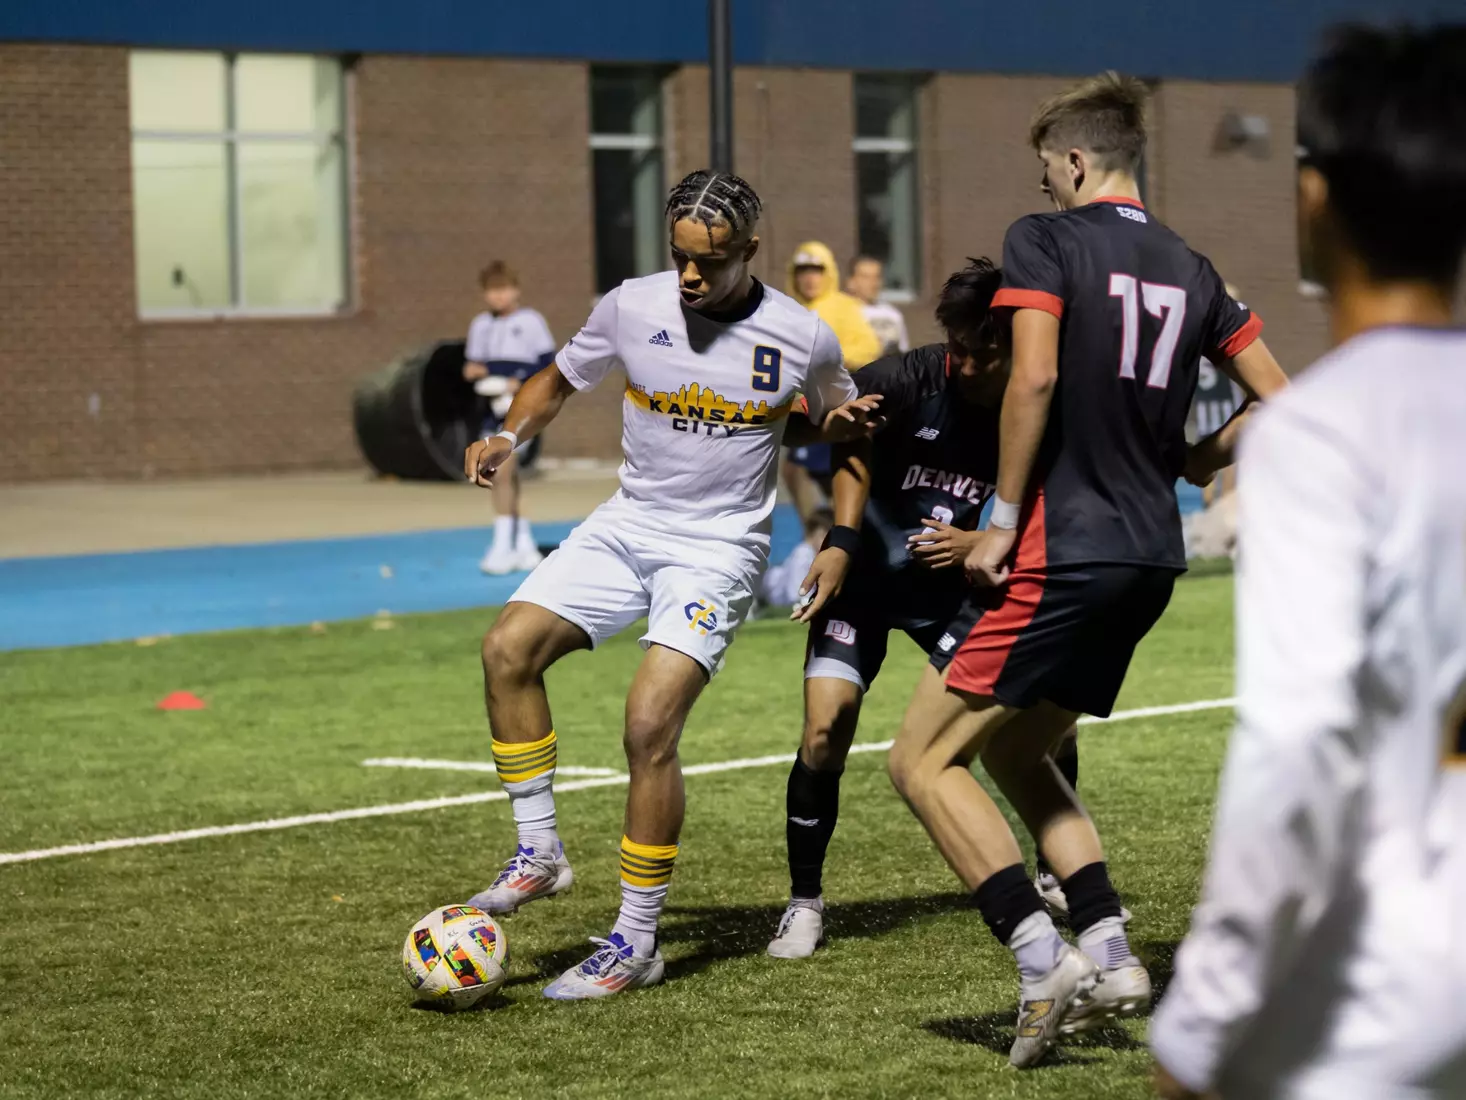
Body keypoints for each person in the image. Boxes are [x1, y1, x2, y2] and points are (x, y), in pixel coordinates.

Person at [885, 73, 1289, 1068]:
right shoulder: (1194, 268)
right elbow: (1281, 396)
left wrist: (998, 522)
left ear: (1072, 160)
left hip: (1063, 546)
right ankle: (1110, 954)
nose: (1045, 188)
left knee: (920, 761)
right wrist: (1197, 457)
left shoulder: (1046, 239)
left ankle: (1041, 958)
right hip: (1149, 555)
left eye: (1046, 171)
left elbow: (1032, 374)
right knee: (1023, 753)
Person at [458, 170, 877, 1000]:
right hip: (628, 524)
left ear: (749, 251)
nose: (689, 275)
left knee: (649, 724)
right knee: (507, 649)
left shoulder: (802, 336)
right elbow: (557, 378)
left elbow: (849, 430)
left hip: (718, 550)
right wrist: (508, 433)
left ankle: (636, 941)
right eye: (680, 256)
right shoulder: (631, 304)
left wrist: (842, 539)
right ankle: (539, 851)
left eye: (708, 262)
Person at [1152, 24, 1466, 1100]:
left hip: (1381, 988)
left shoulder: (1320, 432)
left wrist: (1200, 1017)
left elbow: (1295, 742)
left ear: (1315, 199)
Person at [767, 258, 1081, 959]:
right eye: (957, 347)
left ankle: (1054, 871)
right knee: (824, 732)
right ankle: (804, 902)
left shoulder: (1042, 400)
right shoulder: (908, 376)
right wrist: (842, 535)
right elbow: (830, 436)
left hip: (958, 591)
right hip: (867, 584)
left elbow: (1062, 501)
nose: (963, 364)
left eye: (982, 353)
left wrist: (983, 540)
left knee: (1046, 722)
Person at [463, 261, 557, 575]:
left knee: (501, 469)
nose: (498, 296)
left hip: (522, 410)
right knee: (507, 475)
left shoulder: (531, 322)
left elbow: (548, 366)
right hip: (492, 408)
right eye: (492, 291)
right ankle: (524, 543)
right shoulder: (480, 325)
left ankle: (502, 544)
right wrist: (473, 371)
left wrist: (521, 382)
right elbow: (474, 365)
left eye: (503, 289)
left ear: (515, 290)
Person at [782, 242, 884, 528]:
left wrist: (828, 357)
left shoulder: (842, 306)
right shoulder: (788, 309)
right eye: (803, 271)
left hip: (833, 402)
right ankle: (820, 533)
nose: (809, 278)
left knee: (829, 472)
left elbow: (869, 348)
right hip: (800, 404)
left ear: (829, 273)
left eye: (817, 270)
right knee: (796, 471)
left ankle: (837, 533)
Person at [846, 254, 911, 357]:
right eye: (866, 277)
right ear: (851, 282)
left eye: (877, 277)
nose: (873, 283)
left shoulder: (893, 315)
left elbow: (904, 351)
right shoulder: (843, 313)